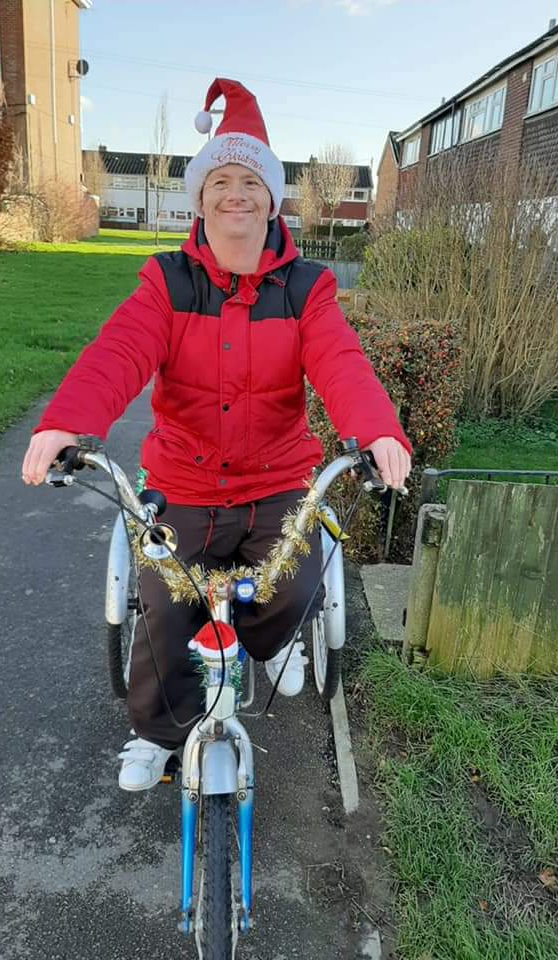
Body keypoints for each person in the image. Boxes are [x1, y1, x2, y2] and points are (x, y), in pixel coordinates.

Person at [22, 78, 412, 792]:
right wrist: (66, 423)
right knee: (166, 606)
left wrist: (377, 431)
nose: (236, 194)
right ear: (200, 200)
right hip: (185, 480)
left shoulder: (306, 289)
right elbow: (119, 353)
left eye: (250, 181)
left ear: (271, 197)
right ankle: (155, 732)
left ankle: (269, 646)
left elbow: (341, 363)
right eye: (220, 181)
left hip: (275, 480)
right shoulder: (167, 283)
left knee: (293, 584)